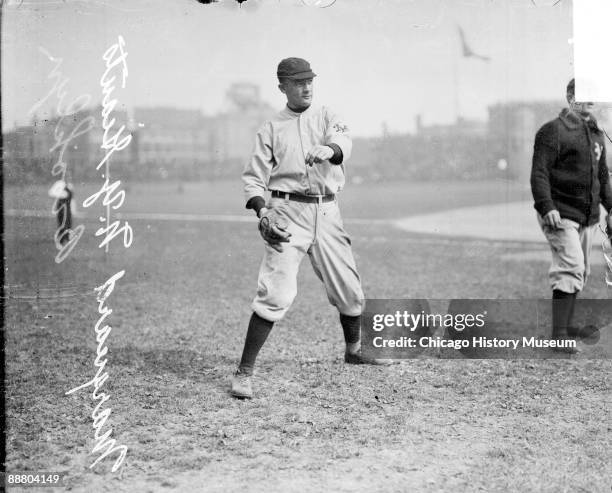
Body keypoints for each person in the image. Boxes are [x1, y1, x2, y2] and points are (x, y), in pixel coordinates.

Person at [231, 57, 389, 399]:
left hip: (328, 209)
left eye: (310, 81)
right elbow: (253, 179)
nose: (306, 87)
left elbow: (343, 143)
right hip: (287, 211)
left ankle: (354, 352)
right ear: (282, 87)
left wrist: (329, 150)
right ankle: (244, 372)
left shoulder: (328, 115)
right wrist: (262, 213)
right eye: (298, 82)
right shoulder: (271, 127)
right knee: (275, 293)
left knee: (349, 289)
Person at [531, 78, 612, 353]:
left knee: (582, 270)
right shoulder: (552, 131)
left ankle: (567, 324)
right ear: (569, 96)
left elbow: (602, 178)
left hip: (586, 215)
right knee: (571, 267)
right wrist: (547, 206)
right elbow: (539, 172)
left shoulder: (596, 134)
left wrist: (610, 208)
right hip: (559, 212)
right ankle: (559, 335)